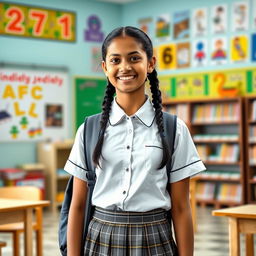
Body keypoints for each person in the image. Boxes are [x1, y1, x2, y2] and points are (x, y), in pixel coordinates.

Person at [64, 26, 206, 256]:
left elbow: (181, 208)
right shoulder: (88, 130)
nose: (125, 67)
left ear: (150, 64)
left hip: (155, 238)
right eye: (115, 60)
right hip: (100, 238)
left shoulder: (174, 129)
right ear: (105, 67)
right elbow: (78, 206)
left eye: (134, 58)